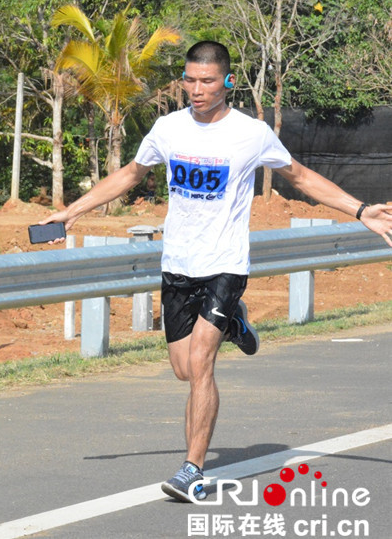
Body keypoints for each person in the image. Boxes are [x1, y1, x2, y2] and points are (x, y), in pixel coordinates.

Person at [38, 40, 392, 503]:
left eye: (207, 81)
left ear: (227, 82)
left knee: (202, 363)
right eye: (190, 80)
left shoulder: (251, 133)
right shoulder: (167, 129)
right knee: (183, 370)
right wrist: (70, 213)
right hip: (177, 263)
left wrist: (360, 209)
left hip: (225, 263)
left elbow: (301, 176)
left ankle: (192, 470)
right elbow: (129, 174)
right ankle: (238, 322)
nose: (196, 90)